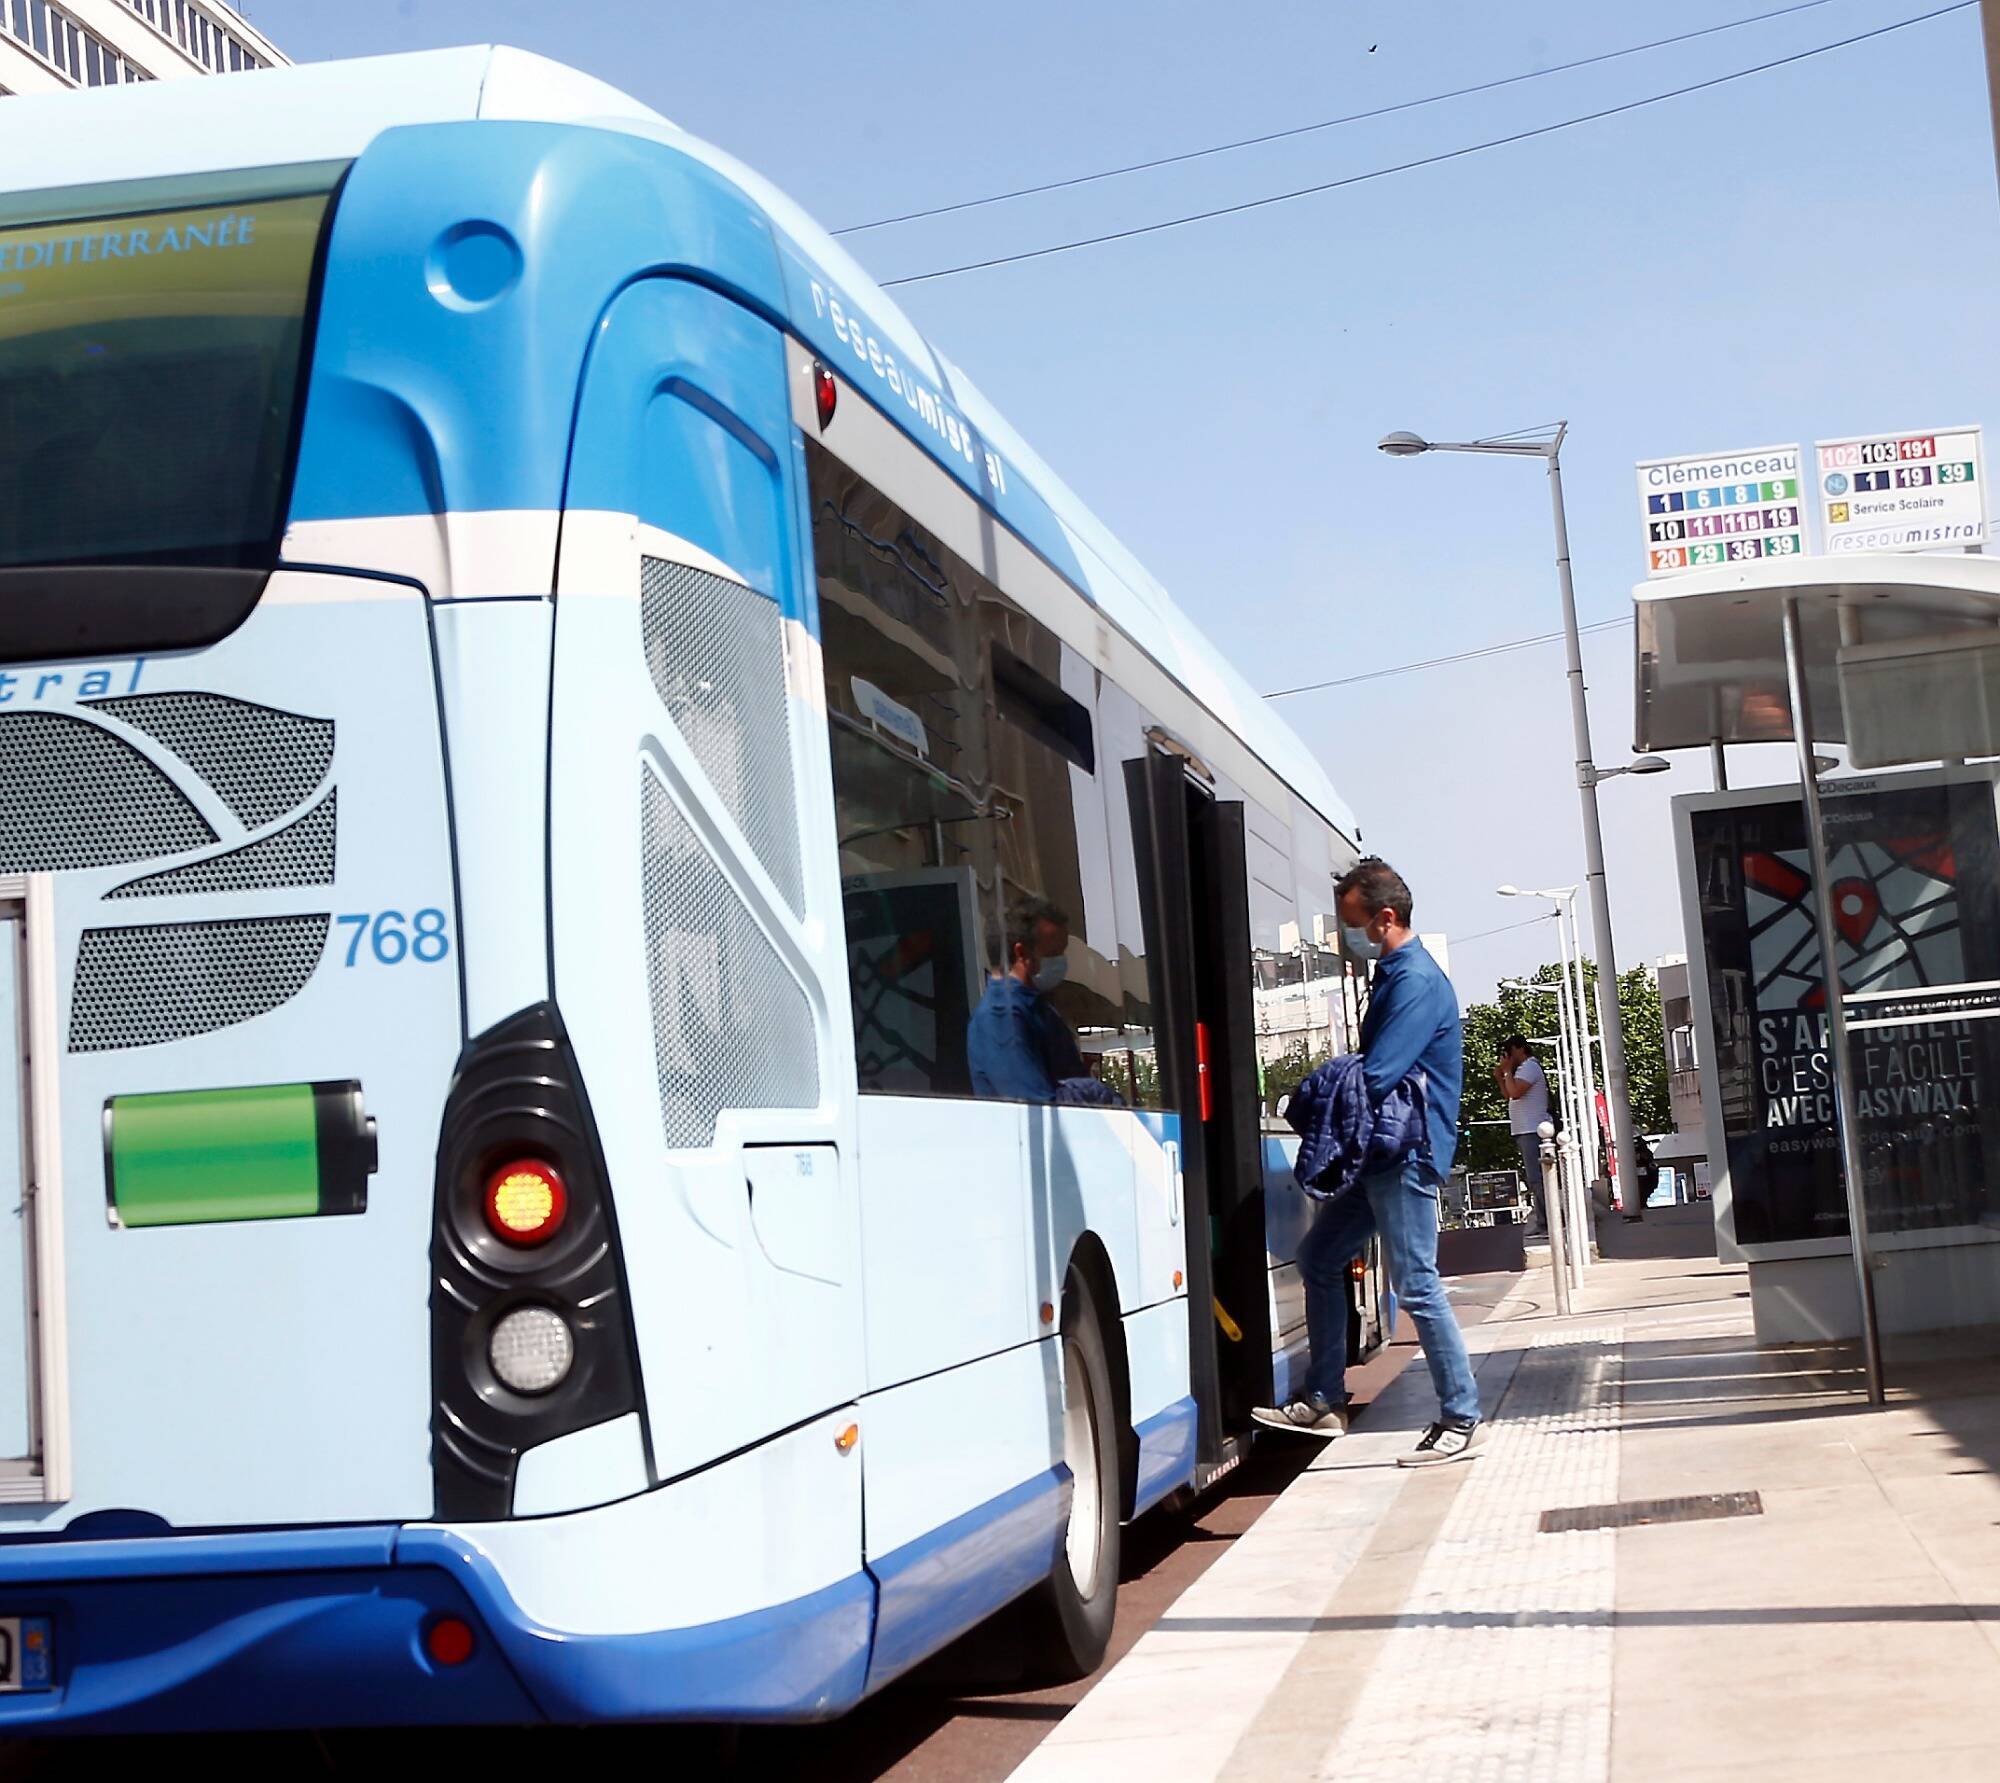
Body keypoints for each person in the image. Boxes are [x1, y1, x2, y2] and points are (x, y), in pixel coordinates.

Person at [1252, 858, 1486, 1467]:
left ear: (1384, 918)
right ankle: (1326, 1398)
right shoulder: (1393, 973)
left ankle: (1460, 1416)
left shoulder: (1414, 982)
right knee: (1322, 1257)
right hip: (1380, 1151)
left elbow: (1380, 1072)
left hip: (1407, 1153)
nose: (1344, 938)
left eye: (1351, 924)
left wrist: (1317, 1089)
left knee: (1417, 1284)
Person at [967, 897, 1085, 1102]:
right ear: (1021, 953)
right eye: (1054, 953)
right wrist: (1094, 1092)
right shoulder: (1002, 1016)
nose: (1061, 962)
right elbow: (1035, 1106)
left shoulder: (1034, 1006)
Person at [1496, 1035, 1552, 1233]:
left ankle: (1547, 1222)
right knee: (1534, 1178)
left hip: (1532, 1129)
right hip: (1524, 1129)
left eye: (1509, 1052)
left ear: (1519, 1049)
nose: (1507, 1057)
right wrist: (1501, 1075)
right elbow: (1508, 1094)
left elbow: (1516, 1092)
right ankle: (1545, 1220)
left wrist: (1507, 1071)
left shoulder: (1529, 1067)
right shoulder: (1521, 1070)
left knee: (1538, 1179)